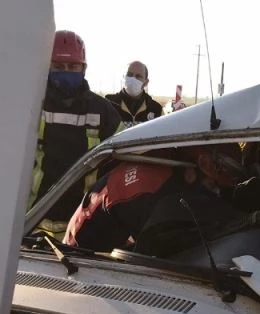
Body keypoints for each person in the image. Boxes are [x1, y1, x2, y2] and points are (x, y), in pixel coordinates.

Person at [63, 146, 246, 255]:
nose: (215, 192)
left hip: (113, 239)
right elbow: (153, 254)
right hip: (81, 257)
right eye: (213, 185)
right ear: (203, 163)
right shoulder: (150, 192)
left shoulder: (170, 162)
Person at [29, 30, 123, 239]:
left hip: (82, 225)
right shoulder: (31, 106)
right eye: (58, 67)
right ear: (47, 67)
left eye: (72, 67)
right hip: (32, 224)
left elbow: (126, 155)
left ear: (84, 68)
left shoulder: (103, 111)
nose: (66, 72)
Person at [105, 61, 163, 128]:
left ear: (146, 82)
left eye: (138, 76)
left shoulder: (156, 109)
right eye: (129, 74)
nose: (133, 79)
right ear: (124, 77)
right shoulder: (109, 104)